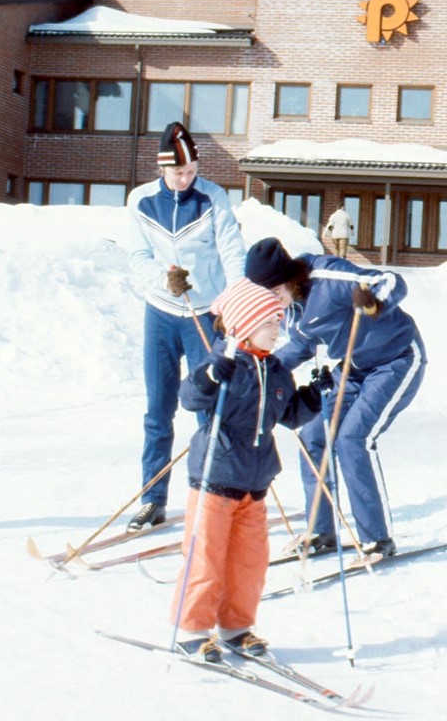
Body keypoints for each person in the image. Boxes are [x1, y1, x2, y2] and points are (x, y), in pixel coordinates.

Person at [244, 237, 426, 557]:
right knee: (313, 435)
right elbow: (300, 346)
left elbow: (391, 281)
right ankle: (321, 531)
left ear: (288, 278)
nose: (274, 302)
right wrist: (259, 368)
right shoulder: (292, 307)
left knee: (352, 439)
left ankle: (377, 538)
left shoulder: (327, 276)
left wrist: (373, 301)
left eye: (275, 293)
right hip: (353, 369)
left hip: (396, 360)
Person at [170, 278, 322, 662]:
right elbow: (190, 397)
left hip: (255, 482)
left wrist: (314, 396)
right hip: (216, 478)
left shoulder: (276, 369)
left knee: (249, 562)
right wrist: (208, 375)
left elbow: (288, 415)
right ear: (243, 324)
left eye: (279, 320)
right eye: (270, 322)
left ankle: (237, 627)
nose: (278, 328)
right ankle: (192, 629)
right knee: (205, 556)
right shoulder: (224, 364)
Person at [122, 121, 246, 532]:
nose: (185, 178)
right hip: (160, 313)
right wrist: (163, 279)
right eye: (178, 172)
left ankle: (214, 497)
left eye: (191, 171)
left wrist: (232, 302)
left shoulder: (213, 198)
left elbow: (232, 251)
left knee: (208, 409)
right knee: (158, 411)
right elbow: (138, 257)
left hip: (204, 315)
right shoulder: (140, 201)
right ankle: (152, 500)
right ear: (162, 169)